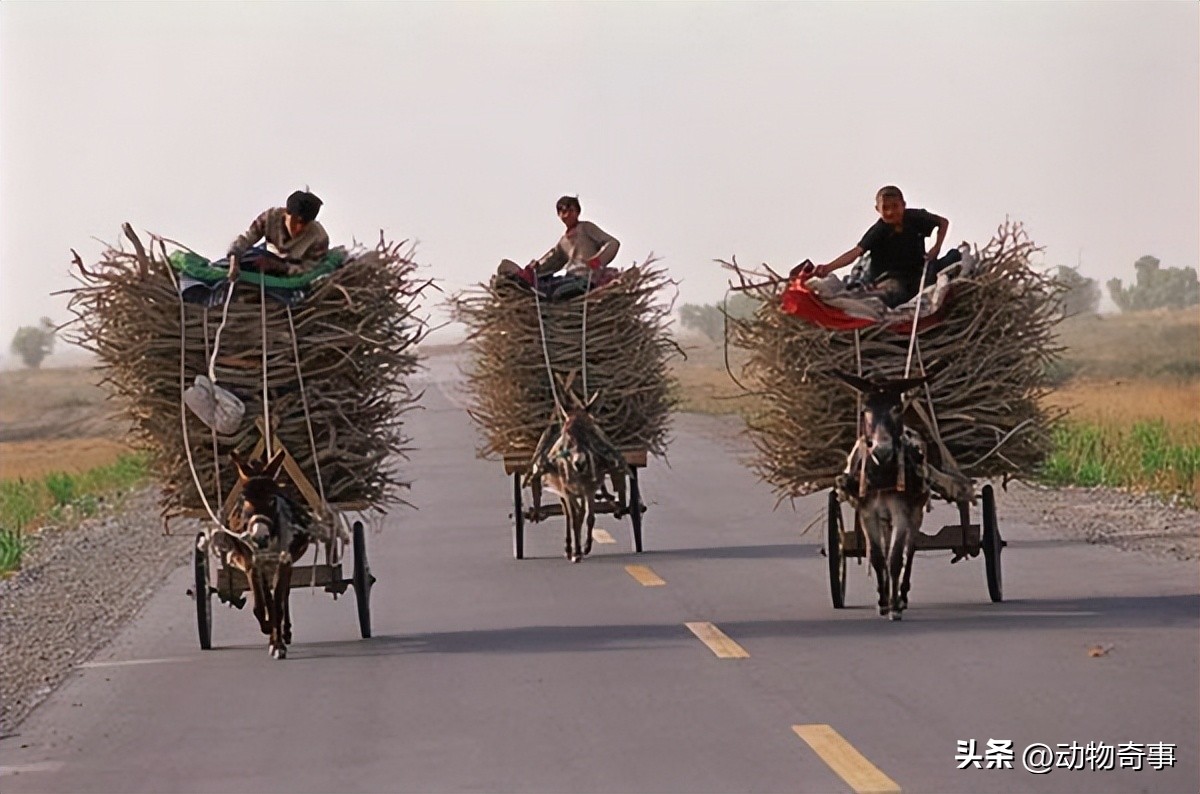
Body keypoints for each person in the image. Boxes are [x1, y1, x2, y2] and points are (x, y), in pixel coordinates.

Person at [802, 186, 959, 308]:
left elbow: (943, 222)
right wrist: (828, 268)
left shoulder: (915, 218)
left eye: (895, 206)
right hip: (891, 278)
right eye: (885, 208)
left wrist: (936, 247)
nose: (891, 212)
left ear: (903, 205)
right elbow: (856, 252)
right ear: (878, 209)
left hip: (918, 271)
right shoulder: (879, 231)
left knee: (953, 259)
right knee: (893, 294)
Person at [497, 196, 620, 294]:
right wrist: (535, 268)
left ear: (577, 212)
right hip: (570, 277)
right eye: (563, 211)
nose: (566, 215)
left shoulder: (585, 227)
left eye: (570, 210)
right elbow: (552, 259)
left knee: (554, 289)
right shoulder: (563, 242)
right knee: (548, 281)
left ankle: (538, 290)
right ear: (559, 215)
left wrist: (597, 261)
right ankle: (523, 282)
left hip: (585, 279)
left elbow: (613, 243)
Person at [227, 190, 329, 281]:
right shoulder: (270, 217)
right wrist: (234, 259)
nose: (299, 228)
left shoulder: (319, 238)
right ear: (286, 213)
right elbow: (246, 238)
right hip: (263, 257)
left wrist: (279, 267)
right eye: (296, 221)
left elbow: (311, 269)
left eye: (305, 224)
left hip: (289, 272)